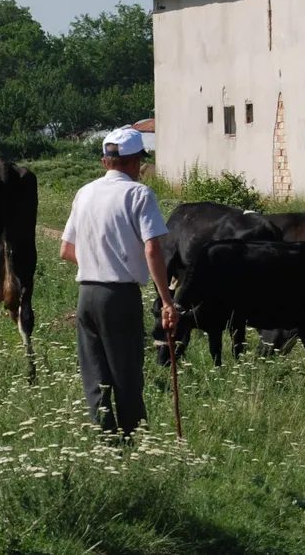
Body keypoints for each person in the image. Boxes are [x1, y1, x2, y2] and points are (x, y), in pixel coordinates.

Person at [60, 126, 178, 438]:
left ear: (105, 161)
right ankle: (133, 439)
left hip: (87, 294)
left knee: (94, 373)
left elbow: (66, 250)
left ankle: (104, 439)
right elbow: (152, 248)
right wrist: (166, 300)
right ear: (136, 161)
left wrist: (98, 261)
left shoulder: (84, 193)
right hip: (120, 296)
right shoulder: (139, 194)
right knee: (126, 372)